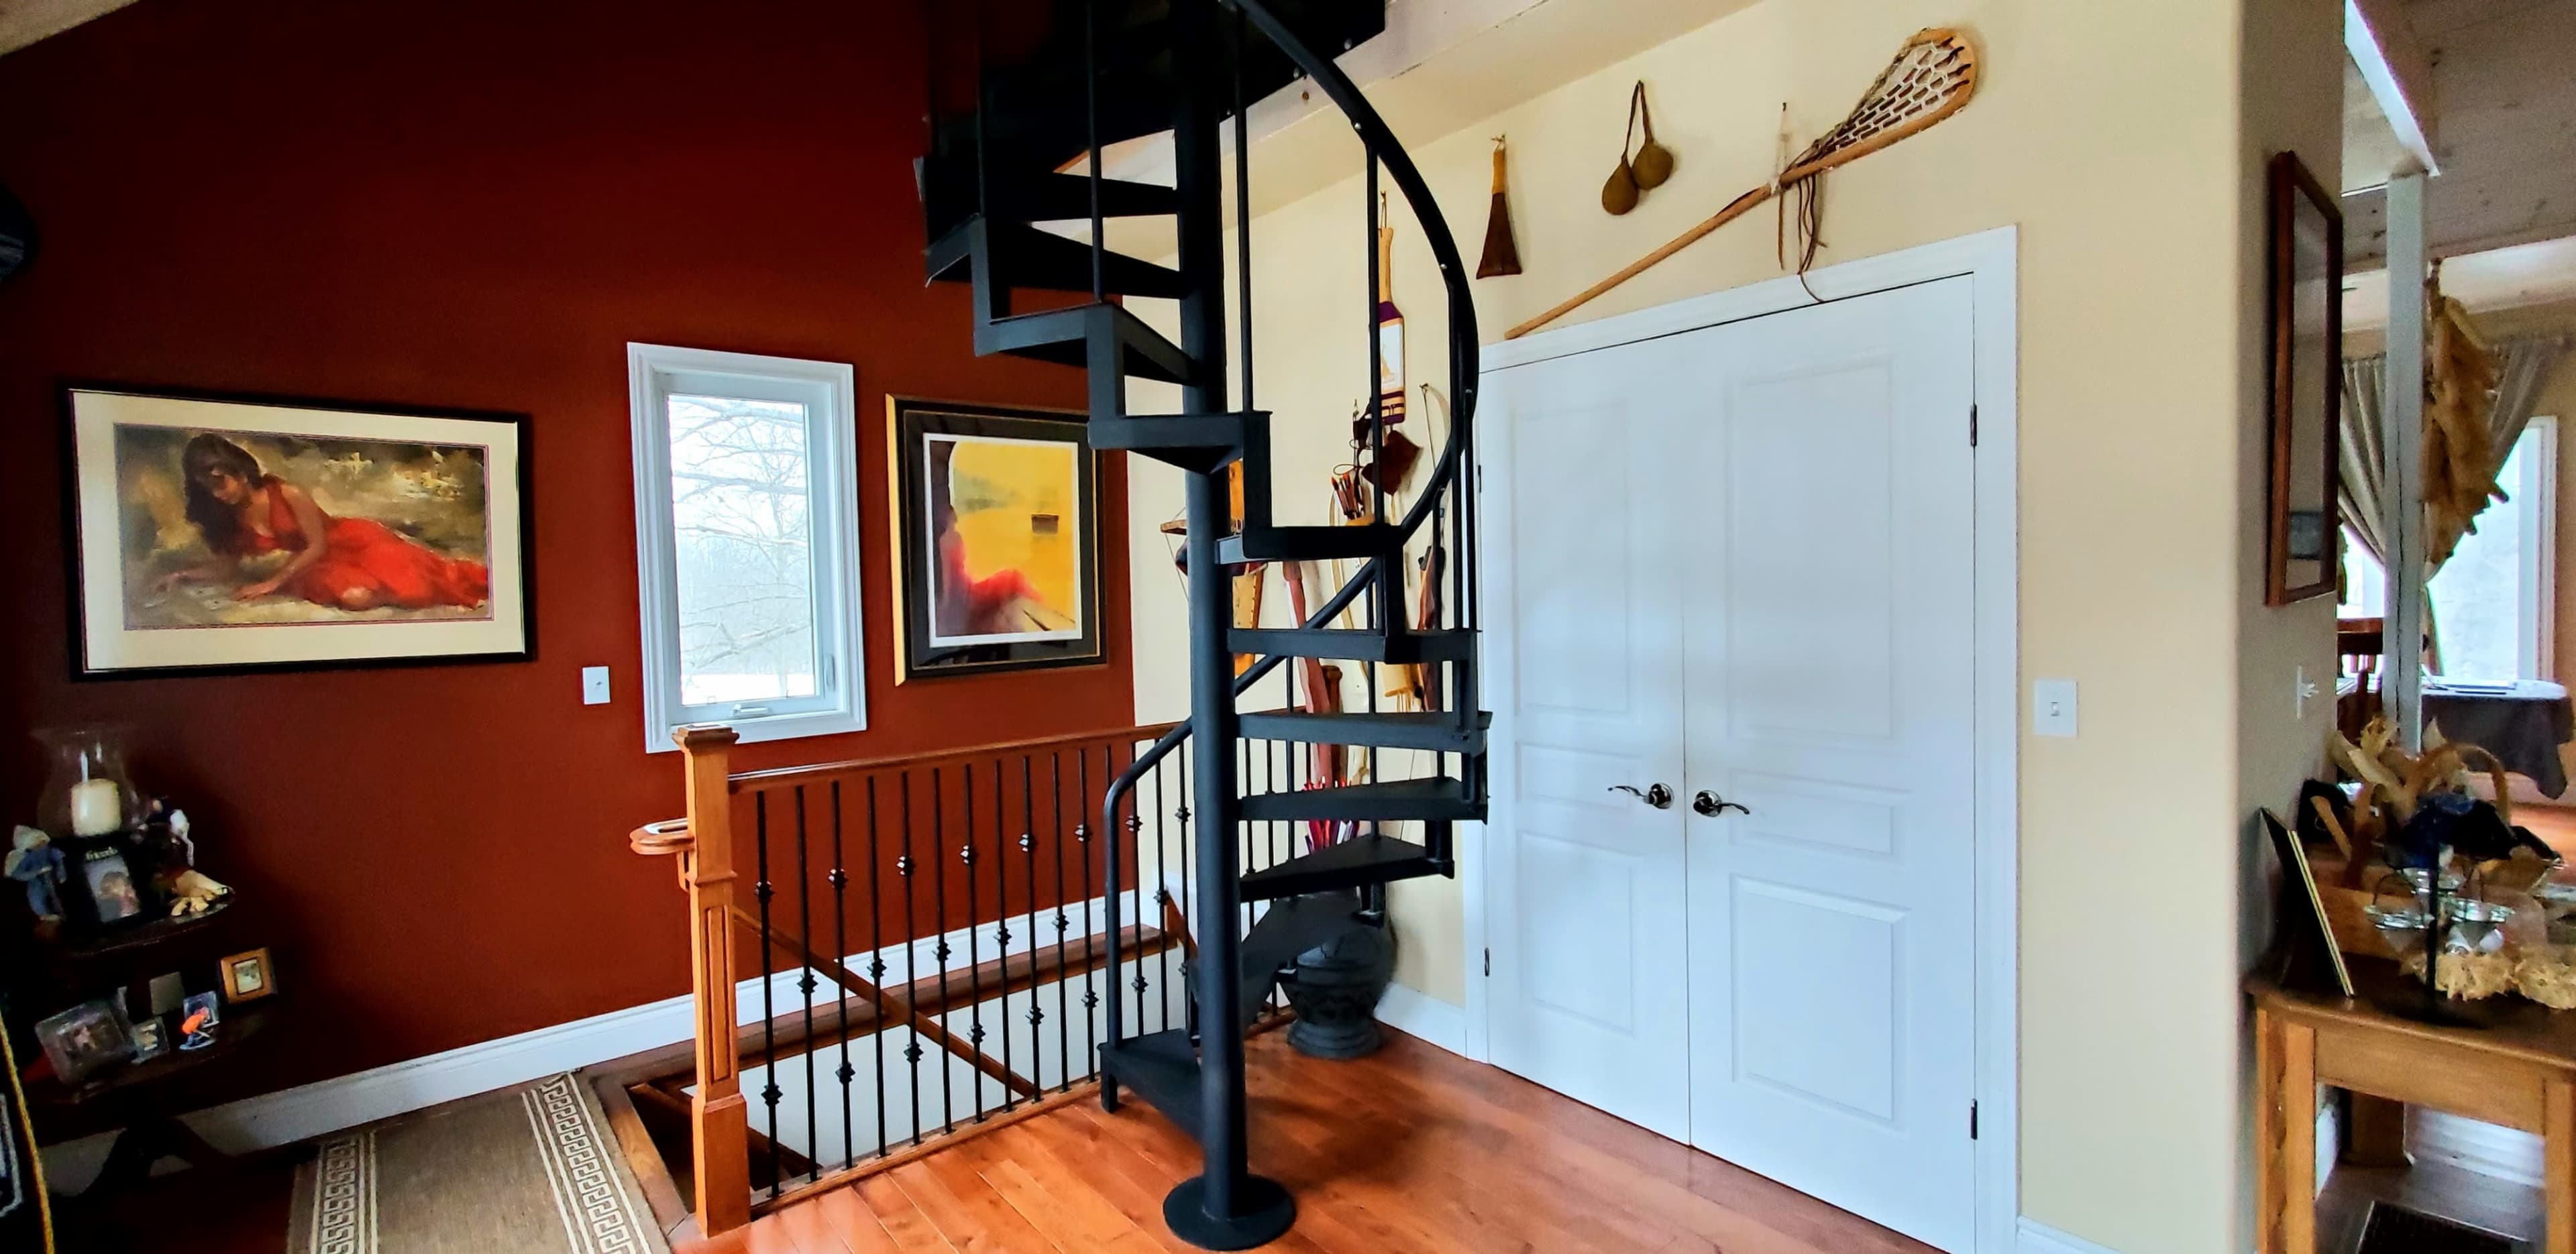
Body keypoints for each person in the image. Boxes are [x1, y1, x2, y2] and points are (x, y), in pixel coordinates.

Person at [152, 434, 488, 612]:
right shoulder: (226, 519)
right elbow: (226, 569)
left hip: (346, 542)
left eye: (220, 481)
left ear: (240, 472)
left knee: (422, 579)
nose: (216, 494)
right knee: (357, 597)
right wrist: (181, 575)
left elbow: (319, 544)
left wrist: (272, 582)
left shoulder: (286, 492)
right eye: (207, 488)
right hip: (308, 567)